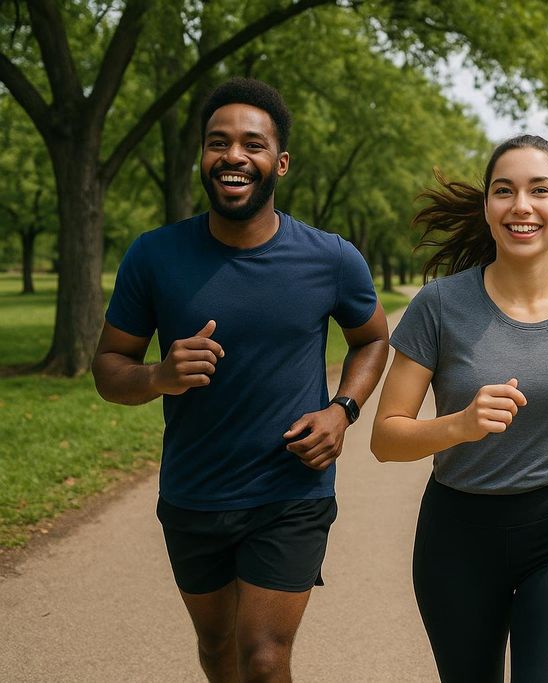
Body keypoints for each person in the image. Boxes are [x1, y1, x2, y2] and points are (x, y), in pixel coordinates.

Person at [92, 78, 389, 682]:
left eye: (252, 145)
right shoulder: (153, 256)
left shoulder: (330, 258)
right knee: (217, 647)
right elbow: (108, 369)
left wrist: (343, 410)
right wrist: (158, 374)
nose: (233, 156)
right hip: (193, 492)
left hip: (290, 492)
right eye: (217, 142)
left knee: (264, 658)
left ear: (278, 163)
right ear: (203, 157)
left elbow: (373, 338)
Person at [370, 134, 548, 683]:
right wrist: (459, 425)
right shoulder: (439, 306)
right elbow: (386, 438)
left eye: (540, 190)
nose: (521, 205)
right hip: (458, 536)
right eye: (504, 191)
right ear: (488, 209)